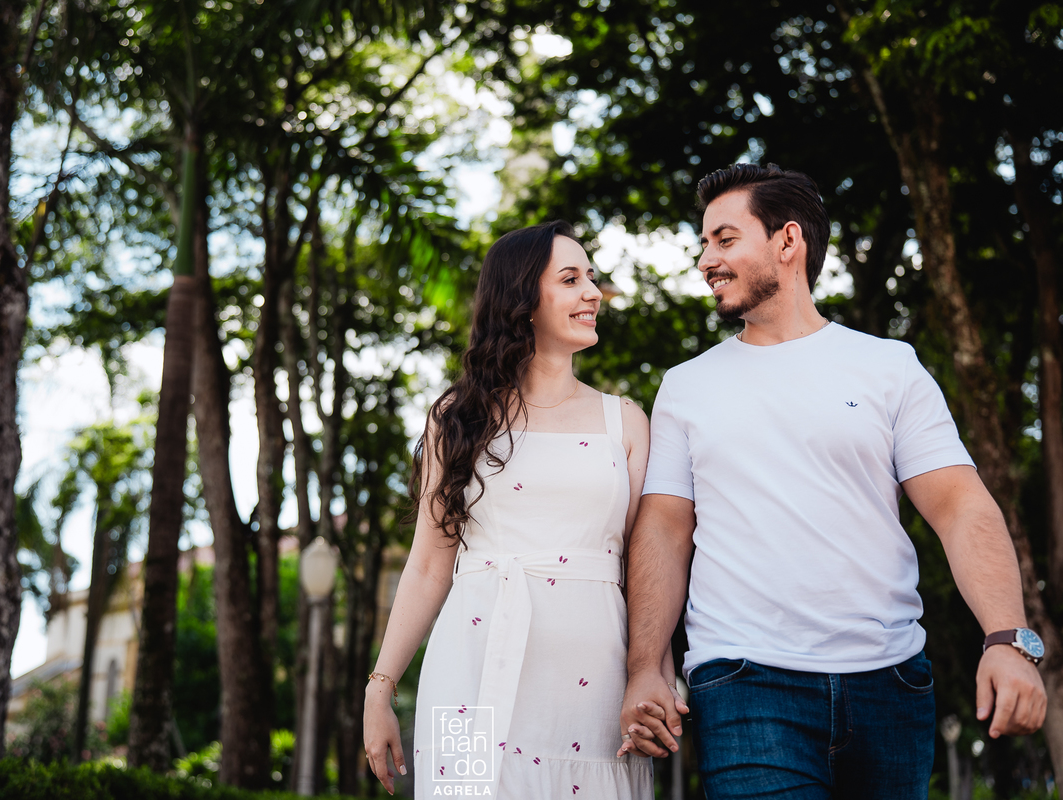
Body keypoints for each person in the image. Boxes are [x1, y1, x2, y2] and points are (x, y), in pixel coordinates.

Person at [616, 163, 1047, 798]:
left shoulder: (888, 367)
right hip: (743, 681)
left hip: (892, 685)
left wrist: (1009, 639)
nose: (706, 259)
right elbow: (665, 528)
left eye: (725, 239)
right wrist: (645, 668)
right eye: (703, 242)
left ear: (787, 242)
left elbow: (960, 508)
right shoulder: (687, 386)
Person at [363, 221, 666, 798]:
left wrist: (655, 674)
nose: (593, 293)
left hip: (594, 685)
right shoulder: (457, 418)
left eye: (592, 278)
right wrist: (381, 688)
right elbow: (429, 564)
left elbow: (645, 566)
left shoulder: (623, 421)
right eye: (571, 279)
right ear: (523, 300)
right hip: (468, 669)